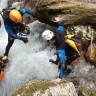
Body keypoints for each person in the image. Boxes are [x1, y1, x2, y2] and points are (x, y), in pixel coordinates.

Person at [42, 17, 80, 83]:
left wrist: (59, 78)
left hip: (73, 54)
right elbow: (60, 26)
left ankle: (70, 74)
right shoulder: (58, 32)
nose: (48, 42)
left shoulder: (60, 48)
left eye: (47, 41)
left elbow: (63, 63)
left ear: (50, 40)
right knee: (60, 58)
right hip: (72, 45)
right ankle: (62, 64)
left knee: (62, 66)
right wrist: (58, 21)